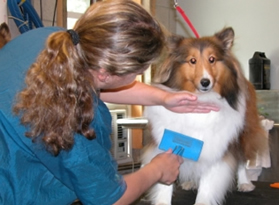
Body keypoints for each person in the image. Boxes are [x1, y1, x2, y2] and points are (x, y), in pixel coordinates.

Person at [0, 0, 218, 204]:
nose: (138, 77)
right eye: (138, 72)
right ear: (105, 73)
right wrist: (157, 170)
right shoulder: (74, 125)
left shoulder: (53, 40)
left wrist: (163, 97)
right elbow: (110, 199)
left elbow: (86, 85)